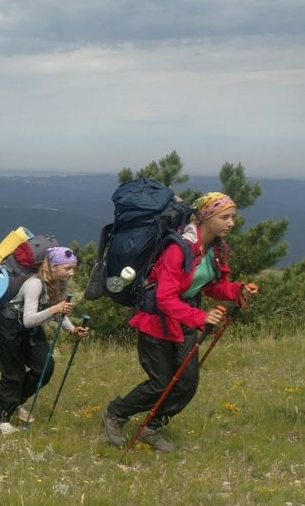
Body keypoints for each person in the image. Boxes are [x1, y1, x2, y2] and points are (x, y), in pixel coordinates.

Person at [102, 192, 257, 452]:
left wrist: (239, 290)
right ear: (207, 217)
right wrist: (201, 317)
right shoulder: (178, 249)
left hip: (184, 319)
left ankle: (152, 428)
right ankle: (115, 414)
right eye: (225, 217)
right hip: (156, 319)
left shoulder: (215, 249)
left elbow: (212, 286)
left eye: (233, 217)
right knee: (159, 383)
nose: (231, 222)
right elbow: (164, 298)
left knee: (186, 383)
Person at [0, 247, 89, 435]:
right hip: (9, 327)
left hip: (30, 330)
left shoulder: (59, 283)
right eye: (67, 268)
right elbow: (29, 319)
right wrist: (54, 310)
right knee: (13, 375)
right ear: (52, 266)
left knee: (45, 368)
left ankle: (16, 401)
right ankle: (1, 419)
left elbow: (57, 311)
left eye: (73, 268)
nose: (72, 273)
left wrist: (73, 330)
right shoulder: (34, 284)